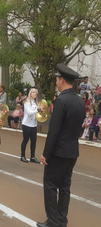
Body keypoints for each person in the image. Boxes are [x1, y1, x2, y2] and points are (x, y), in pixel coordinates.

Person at [37, 63, 85, 227]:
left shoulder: (61, 101)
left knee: (50, 185)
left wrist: (45, 154)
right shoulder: (79, 102)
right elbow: (78, 129)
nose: (56, 82)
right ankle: (62, 219)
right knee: (65, 186)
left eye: (57, 79)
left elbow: (54, 131)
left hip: (58, 152)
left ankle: (53, 221)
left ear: (62, 80)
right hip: (72, 151)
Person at [20, 87, 44, 163]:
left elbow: (37, 114)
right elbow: (30, 112)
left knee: (34, 140)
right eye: (33, 92)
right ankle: (22, 156)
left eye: (36, 92)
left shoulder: (36, 103)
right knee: (25, 140)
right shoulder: (26, 103)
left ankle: (32, 157)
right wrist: (38, 110)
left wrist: (42, 111)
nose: (35, 93)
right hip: (26, 124)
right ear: (30, 94)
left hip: (33, 124)